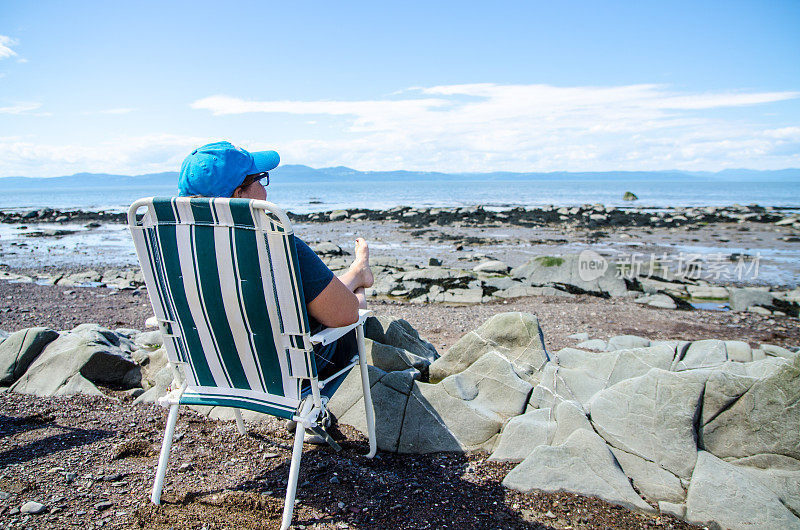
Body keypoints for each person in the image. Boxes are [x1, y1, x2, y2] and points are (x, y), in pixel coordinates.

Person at [178, 141, 374, 386]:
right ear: (238, 196)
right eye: (260, 180)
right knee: (356, 306)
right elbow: (345, 315)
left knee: (314, 298)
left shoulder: (172, 250)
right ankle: (359, 277)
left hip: (207, 367)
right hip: (283, 373)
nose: (265, 190)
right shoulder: (275, 244)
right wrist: (358, 300)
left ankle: (357, 271)